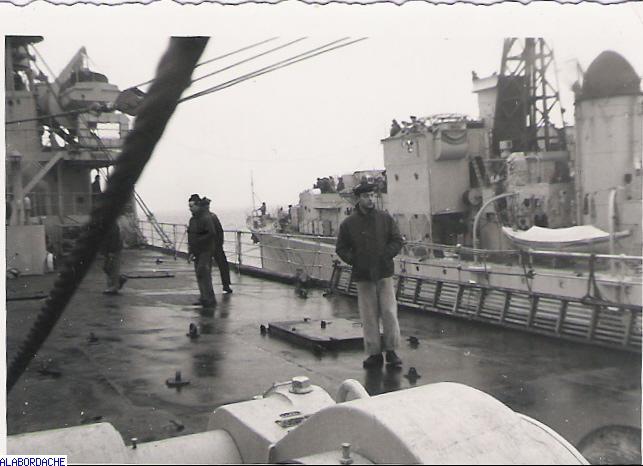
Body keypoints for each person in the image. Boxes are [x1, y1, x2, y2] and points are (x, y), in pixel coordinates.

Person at [336, 182, 404, 369]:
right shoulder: (349, 224)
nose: (370, 199)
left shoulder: (385, 218)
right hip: (363, 275)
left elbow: (397, 240)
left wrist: (386, 255)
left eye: (372, 195)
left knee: (389, 312)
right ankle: (374, 353)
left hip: (384, 273)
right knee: (368, 315)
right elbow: (341, 248)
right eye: (366, 196)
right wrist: (356, 261)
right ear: (359, 199)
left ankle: (391, 351)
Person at [187, 194, 217, 307]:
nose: (190, 209)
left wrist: (199, 240)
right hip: (197, 250)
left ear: (197, 205)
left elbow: (212, 232)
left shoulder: (205, 218)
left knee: (203, 272)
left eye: (192, 206)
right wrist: (191, 251)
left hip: (206, 250)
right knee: (199, 274)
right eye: (189, 206)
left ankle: (210, 299)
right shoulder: (192, 220)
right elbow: (191, 236)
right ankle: (204, 297)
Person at [201, 197, 233, 294]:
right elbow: (219, 231)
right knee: (222, 266)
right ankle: (225, 286)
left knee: (211, 267)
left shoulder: (203, 218)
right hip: (214, 246)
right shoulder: (212, 217)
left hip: (211, 246)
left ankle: (211, 288)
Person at [100, 219, 127, 295]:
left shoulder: (112, 225)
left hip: (113, 250)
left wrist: (111, 251)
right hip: (108, 250)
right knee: (107, 267)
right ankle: (119, 280)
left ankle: (113, 287)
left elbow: (114, 238)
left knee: (113, 268)